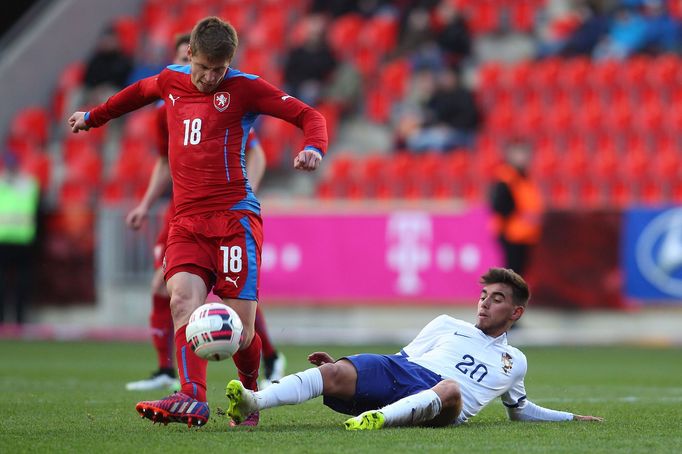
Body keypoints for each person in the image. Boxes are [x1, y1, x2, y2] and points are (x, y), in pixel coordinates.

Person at [68, 16, 327, 428]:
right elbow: (133, 95)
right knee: (182, 302)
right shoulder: (170, 80)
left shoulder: (245, 88)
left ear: (230, 63)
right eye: (204, 67)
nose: (210, 77)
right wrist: (93, 117)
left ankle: (248, 394)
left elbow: (309, 115)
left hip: (234, 221)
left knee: (241, 331)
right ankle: (193, 395)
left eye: (219, 69)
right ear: (190, 53)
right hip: (187, 220)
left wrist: (313, 147)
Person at [225, 268, 603, 430]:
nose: (485, 304)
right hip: (404, 373)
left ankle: (378, 420)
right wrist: (347, 370)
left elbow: (521, 412)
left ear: (516, 312)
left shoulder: (514, 361)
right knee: (334, 371)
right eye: (484, 296)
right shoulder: (445, 324)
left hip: (443, 403)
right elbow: (403, 361)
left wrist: (571, 419)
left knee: (451, 387)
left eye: (498, 299)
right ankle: (252, 402)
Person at [489, 139, 543, 277]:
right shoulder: (506, 178)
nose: (522, 157)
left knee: (520, 271)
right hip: (512, 232)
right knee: (513, 270)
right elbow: (498, 205)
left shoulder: (524, 176)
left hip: (526, 233)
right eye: (519, 153)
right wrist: (517, 215)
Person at [0, 152, 40, 325]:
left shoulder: (28, 185)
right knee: (10, 283)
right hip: (9, 240)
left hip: (22, 241)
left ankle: (19, 320)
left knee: (22, 283)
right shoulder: (29, 185)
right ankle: (12, 320)